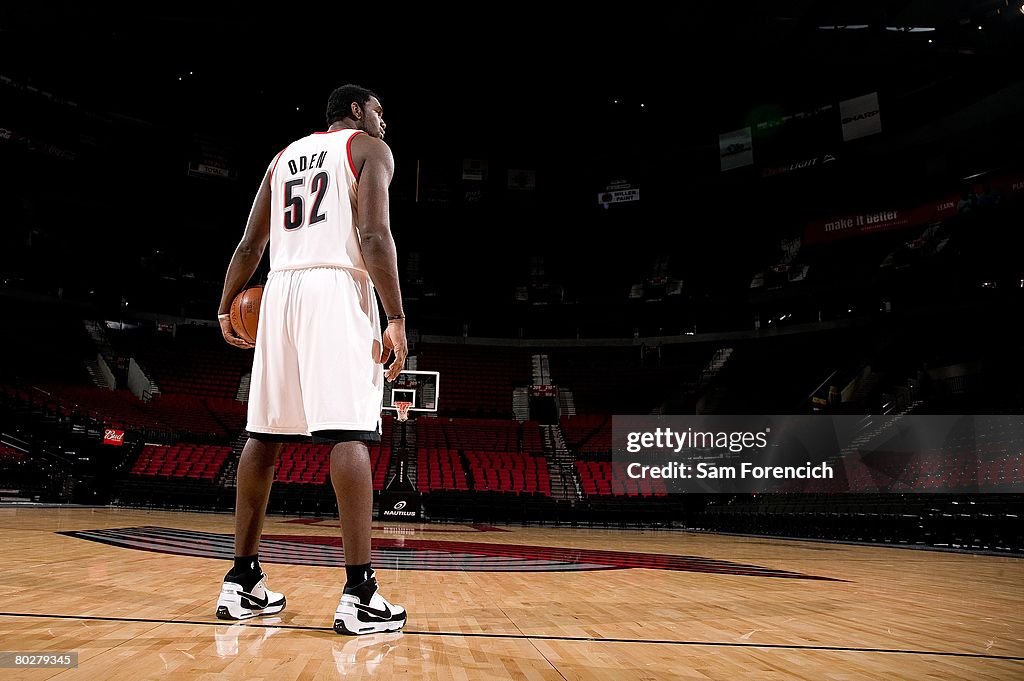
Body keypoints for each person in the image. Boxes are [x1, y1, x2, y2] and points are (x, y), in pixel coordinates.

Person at [215, 84, 408, 635]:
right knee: (350, 433)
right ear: (355, 111)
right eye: (379, 110)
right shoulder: (368, 150)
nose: (384, 122)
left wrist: (227, 306)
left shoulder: (281, 158)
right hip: (335, 290)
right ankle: (360, 592)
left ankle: (242, 579)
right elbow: (374, 234)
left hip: (279, 293)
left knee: (264, 435)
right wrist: (395, 316)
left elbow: (250, 246)